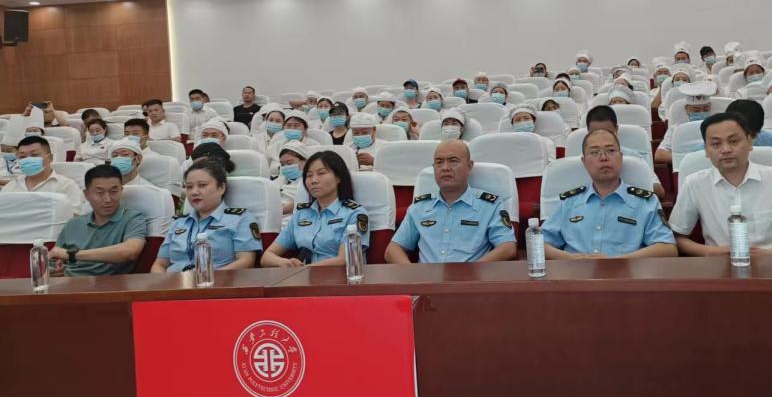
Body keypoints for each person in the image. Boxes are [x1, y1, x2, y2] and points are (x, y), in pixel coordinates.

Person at [670, 113, 772, 256]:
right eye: (716, 144)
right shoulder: (694, 184)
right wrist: (713, 252)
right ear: (706, 150)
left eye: (733, 141)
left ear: (749, 142)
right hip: (719, 270)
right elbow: (677, 239)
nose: (726, 149)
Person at [543, 129, 675, 259]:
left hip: (627, 272)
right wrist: (572, 259)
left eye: (611, 151)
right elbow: (540, 244)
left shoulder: (646, 202)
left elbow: (668, 248)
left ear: (621, 157)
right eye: (594, 152)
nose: (603, 158)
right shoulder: (569, 202)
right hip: (576, 271)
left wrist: (616, 261)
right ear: (584, 162)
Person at [385, 140, 517, 263]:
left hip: (471, 277)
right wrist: (412, 274)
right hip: (426, 278)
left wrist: (474, 272)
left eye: (453, 161)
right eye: (439, 162)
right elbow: (392, 250)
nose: (445, 168)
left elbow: (508, 247)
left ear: (469, 166)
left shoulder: (489, 206)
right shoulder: (419, 207)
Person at [151, 157, 262, 272]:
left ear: (221, 188)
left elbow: (246, 262)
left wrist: (208, 279)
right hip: (175, 281)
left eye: (202, 185)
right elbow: (159, 264)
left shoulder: (240, 218)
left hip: (217, 281)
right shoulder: (178, 222)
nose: (194, 192)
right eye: (189, 187)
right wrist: (164, 282)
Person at [262, 151, 370, 267]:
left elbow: (346, 260)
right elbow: (266, 257)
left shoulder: (354, 214)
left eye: (321, 173)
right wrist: (285, 263)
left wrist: (305, 270)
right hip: (303, 275)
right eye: (309, 175)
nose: (313, 180)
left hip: (338, 276)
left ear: (338, 177)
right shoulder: (301, 214)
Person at [47, 164, 147, 276]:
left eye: (114, 191)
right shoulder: (73, 224)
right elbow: (54, 259)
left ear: (121, 191)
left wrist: (72, 254)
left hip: (105, 284)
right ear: (86, 195)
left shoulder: (133, 219)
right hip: (67, 282)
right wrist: (53, 270)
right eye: (100, 193)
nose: (107, 199)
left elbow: (130, 251)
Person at [585, 105, 664, 200]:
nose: (603, 138)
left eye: (608, 133)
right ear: (588, 132)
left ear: (616, 130)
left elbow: (659, 191)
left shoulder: (634, 158)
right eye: (596, 134)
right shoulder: (582, 160)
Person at [1, 135, 88, 214]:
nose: (28, 159)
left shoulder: (66, 185)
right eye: (22, 157)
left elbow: (75, 217)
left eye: (34, 155)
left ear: (50, 158)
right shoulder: (12, 186)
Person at [654, 81, 716, 164]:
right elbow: (659, 155)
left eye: (705, 109)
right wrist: (688, 159)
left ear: (710, 107)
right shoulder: (676, 128)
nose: (701, 113)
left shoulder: (718, 126)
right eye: (696, 110)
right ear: (687, 109)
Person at [274, 140, 310, 216]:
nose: (285, 167)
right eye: (282, 164)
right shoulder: (278, 181)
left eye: (289, 163)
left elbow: (309, 201)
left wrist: (282, 209)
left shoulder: (310, 182)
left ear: (305, 162)